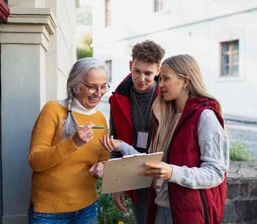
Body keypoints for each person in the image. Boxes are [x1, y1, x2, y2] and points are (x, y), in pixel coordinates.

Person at [102, 54, 229, 224]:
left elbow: (216, 173)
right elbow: (154, 163)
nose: (159, 84)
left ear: (185, 81)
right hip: (160, 208)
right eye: (160, 78)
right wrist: (122, 146)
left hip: (189, 213)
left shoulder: (205, 117)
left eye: (165, 79)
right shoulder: (166, 116)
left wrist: (172, 172)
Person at [28, 57, 111, 224]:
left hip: (87, 209)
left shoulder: (100, 118)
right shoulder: (53, 110)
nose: (99, 93)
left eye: (103, 87)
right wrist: (73, 143)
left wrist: (102, 166)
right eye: (92, 87)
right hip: (49, 213)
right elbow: (35, 161)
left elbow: (103, 157)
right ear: (76, 85)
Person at [104, 40, 165, 224]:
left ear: (158, 71)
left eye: (148, 73)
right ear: (131, 65)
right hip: (136, 175)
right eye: (137, 71)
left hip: (165, 175)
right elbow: (115, 143)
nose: (141, 78)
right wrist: (117, 184)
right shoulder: (118, 99)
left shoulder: (167, 97)